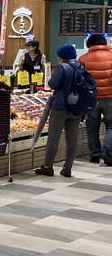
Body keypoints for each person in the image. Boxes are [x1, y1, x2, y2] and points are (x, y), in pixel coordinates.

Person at [36, 44, 83, 177]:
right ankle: (67, 168)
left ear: (63, 57)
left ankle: (48, 166)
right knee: (72, 140)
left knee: (53, 138)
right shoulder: (81, 67)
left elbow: (53, 84)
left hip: (60, 106)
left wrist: (52, 75)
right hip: (76, 108)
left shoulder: (63, 67)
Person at [78, 34, 112, 165]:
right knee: (111, 125)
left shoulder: (83, 59)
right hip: (110, 97)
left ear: (89, 45)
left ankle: (95, 154)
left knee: (92, 127)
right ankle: (107, 151)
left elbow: (79, 80)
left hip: (90, 98)